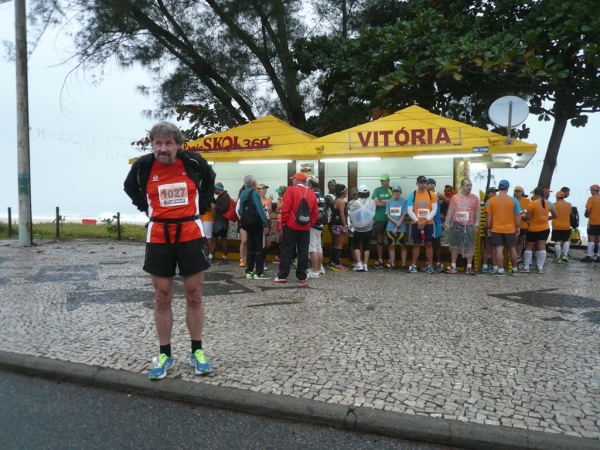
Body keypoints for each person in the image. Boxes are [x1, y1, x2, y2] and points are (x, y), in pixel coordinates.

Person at [123, 121, 215, 380]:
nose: (163, 149)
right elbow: (130, 188)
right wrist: (147, 208)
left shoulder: (193, 162)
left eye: (168, 143)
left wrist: (202, 207)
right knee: (162, 296)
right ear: (152, 145)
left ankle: (197, 351)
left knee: (194, 294)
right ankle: (165, 354)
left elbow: (209, 183)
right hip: (158, 236)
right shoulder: (143, 166)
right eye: (158, 143)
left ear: (178, 145)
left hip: (190, 234)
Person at [275, 172, 318, 283]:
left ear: (297, 180)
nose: (292, 181)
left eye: (293, 179)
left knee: (287, 250)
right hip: (305, 227)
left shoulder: (291, 190)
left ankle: (282, 276)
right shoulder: (311, 193)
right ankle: (302, 276)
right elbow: (315, 212)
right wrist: (310, 223)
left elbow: (286, 208)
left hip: (291, 225)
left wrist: (284, 221)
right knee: (303, 251)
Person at [444, 179, 480, 275]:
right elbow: (451, 211)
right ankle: (453, 266)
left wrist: (476, 225)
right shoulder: (455, 197)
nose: (469, 187)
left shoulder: (475, 198)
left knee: (469, 245)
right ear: (462, 186)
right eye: (467, 185)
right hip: (457, 224)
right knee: (454, 245)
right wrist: (447, 224)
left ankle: (469, 267)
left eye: (471, 185)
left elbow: (477, 212)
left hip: (469, 225)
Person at [485, 179, 521, 276]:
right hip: (510, 228)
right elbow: (517, 214)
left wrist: (489, 227)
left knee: (499, 249)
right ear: (507, 188)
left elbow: (489, 215)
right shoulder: (513, 200)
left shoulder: (492, 200)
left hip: (496, 228)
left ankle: (500, 270)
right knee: (512, 248)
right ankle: (514, 269)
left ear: (499, 187)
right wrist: (518, 226)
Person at [238, 176, 271, 279]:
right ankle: (259, 272)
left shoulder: (243, 193)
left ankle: (249, 271)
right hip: (256, 223)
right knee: (259, 247)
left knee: (250, 247)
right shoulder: (254, 193)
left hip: (246, 223)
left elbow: (240, 210)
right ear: (253, 183)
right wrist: (265, 223)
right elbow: (259, 208)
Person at [521, 187, 557, 274]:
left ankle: (526, 267)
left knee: (528, 247)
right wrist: (546, 218)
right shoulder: (548, 203)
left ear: (535, 194)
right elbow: (555, 215)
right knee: (541, 247)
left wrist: (523, 218)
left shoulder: (532, 203)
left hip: (533, 228)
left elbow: (528, 217)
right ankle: (540, 267)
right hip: (545, 228)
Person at [407, 175, 438, 274]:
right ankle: (413, 265)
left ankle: (430, 265)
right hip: (416, 223)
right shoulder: (412, 195)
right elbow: (409, 210)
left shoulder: (431, 194)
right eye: (421, 183)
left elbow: (434, 209)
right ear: (417, 183)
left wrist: (425, 221)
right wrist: (417, 221)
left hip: (428, 223)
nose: (423, 184)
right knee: (416, 244)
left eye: (424, 182)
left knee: (428, 244)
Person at [348, 185, 376, 272]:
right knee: (366, 246)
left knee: (356, 245)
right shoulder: (371, 202)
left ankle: (359, 264)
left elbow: (351, 214)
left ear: (359, 193)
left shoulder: (356, 203)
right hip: (368, 227)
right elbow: (373, 214)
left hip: (358, 227)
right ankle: (365, 265)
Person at [426, 178, 449, 272]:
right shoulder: (424, 194)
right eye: (426, 183)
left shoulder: (437, 194)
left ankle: (439, 263)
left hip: (436, 222)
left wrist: (444, 214)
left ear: (433, 185)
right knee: (428, 243)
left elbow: (450, 202)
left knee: (437, 243)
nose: (427, 185)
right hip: (427, 222)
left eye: (429, 183)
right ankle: (429, 263)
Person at [371, 173, 393, 268]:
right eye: (381, 180)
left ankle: (390, 260)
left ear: (388, 180)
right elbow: (375, 203)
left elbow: (394, 202)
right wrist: (387, 202)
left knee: (390, 240)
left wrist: (381, 201)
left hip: (390, 219)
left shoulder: (392, 190)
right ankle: (380, 260)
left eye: (384, 180)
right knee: (379, 240)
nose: (382, 182)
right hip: (379, 218)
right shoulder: (377, 190)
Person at [307, 176, 326, 279]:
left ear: (310, 185)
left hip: (313, 224)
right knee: (318, 247)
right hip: (320, 224)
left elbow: (310, 209)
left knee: (312, 248)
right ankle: (318, 269)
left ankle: (314, 271)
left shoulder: (312, 194)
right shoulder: (320, 193)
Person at [385, 185, 408, 271]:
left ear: (400, 193)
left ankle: (404, 264)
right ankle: (392, 263)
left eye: (397, 191)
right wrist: (395, 223)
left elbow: (404, 214)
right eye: (394, 191)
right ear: (392, 192)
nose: (396, 193)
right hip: (390, 227)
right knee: (391, 246)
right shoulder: (389, 202)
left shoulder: (405, 202)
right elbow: (387, 214)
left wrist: (398, 224)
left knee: (402, 246)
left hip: (401, 227)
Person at [328, 183, 350, 271]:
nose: (347, 192)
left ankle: (333, 261)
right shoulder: (341, 201)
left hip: (334, 225)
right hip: (339, 225)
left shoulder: (336, 200)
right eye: (346, 191)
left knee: (336, 244)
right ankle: (337, 263)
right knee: (339, 245)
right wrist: (345, 226)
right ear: (343, 192)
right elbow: (342, 215)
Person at [211, 181, 231, 264]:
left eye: (214, 189)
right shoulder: (220, 196)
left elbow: (225, 208)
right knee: (214, 238)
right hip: (217, 220)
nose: (214, 191)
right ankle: (211, 256)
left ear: (218, 189)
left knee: (223, 239)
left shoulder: (225, 196)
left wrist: (215, 207)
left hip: (222, 220)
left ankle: (224, 257)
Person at [480, 187, 499, 273]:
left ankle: (487, 265)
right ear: (487, 194)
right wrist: (489, 227)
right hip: (490, 226)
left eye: (495, 192)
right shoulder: (489, 202)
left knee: (490, 247)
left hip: (492, 226)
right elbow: (489, 215)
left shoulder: (492, 202)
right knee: (489, 247)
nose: (495, 194)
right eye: (492, 192)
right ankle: (491, 266)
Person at [551, 190, 572, 263]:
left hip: (556, 225)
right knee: (566, 240)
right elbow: (571, 214)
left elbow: (552, 214)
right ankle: (565, 255)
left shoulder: (553, 205)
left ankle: (558, 258)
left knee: (557, 242)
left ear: (557, 197)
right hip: (566, 225)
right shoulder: (569, 205)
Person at [583, 184, 600, 262]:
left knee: (591, 239)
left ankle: (589, 256)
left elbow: (588, 210)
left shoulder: (591, 199)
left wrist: (586, 214)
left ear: (593, 190)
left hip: (593, 222)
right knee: (599, 240)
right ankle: (598, 256)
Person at [513, 186, 530, 264]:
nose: (517, 193)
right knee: (514, 241)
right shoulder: (512, 200)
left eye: (519, 191)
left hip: (523, 224)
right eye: (516, 191)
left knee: (520, 241)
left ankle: (518, 256)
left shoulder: (527, 201)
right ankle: (512, 256)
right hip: (513, 224)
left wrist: (524, 213)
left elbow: (529, 211)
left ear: (522, 192)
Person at [273, 185, 287, 264]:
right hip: (279, 220)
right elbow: (276, 209)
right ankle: (279, 256)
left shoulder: (284, 199)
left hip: (283, 221)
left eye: (281, 193)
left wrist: (279, 200)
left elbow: (278, 208)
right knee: (277, 239)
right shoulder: (281, 199)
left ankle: (283, 257)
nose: (279, 195)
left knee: (283, 239)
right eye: (279, 193)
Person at [346, 187, 360, 266]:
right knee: (353, 242)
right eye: (353, 194)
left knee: (360, 243)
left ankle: (359, 260)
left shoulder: (362, 201)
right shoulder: (350, 203)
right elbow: (348, 215)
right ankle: (354, 260)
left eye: (356, 194)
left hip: (361, 224)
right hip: (352, 225)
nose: (355, 196)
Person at [236, 184, 248, 268]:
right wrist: (241, 218)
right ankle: (242, 258)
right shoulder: (240, 199)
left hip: (250, 221)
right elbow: (236, 210)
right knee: (244, 240)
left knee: (248, 240)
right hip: (242, 221)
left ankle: (246, 258)